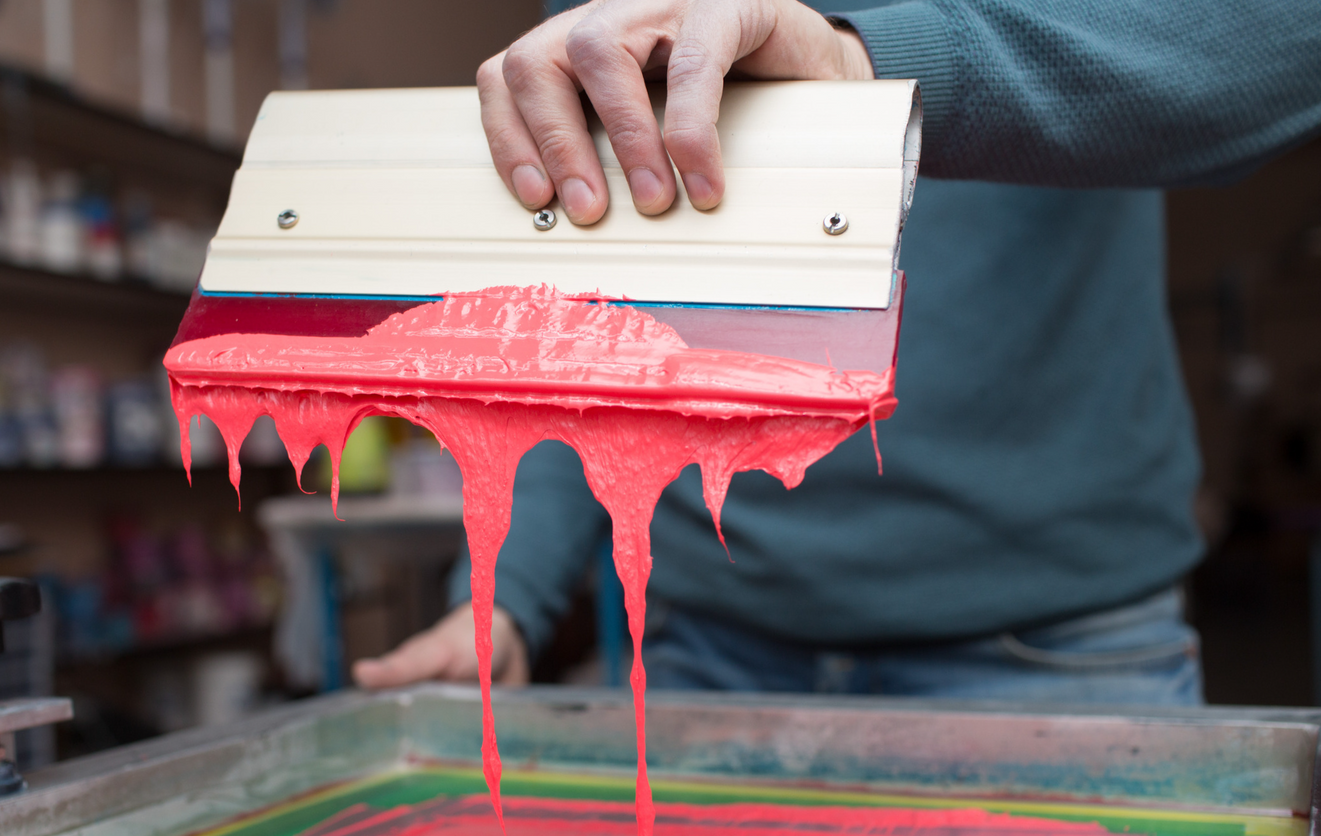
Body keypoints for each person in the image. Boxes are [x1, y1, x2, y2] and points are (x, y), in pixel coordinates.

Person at [352, 0, 1321, 702]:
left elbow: (1282, 42)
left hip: (1056, 660)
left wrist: (862, 68)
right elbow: (592, 328)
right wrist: (505, 593)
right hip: (709, 658)